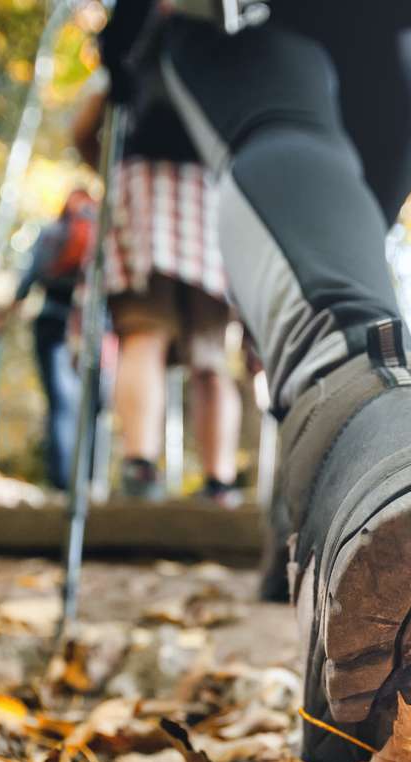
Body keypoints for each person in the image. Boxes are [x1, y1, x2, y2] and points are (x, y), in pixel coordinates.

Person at [99, 0, 411, 762]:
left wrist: (122, 47)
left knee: (289, 154)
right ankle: (331, 492)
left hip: (241, 25)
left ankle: (372, 429)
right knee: (332, 245)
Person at [72, 36, 242, 505]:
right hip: (212, 199)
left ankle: (139, 466)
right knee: (210, 354)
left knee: (144, 334)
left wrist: (113, 167)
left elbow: (85, 129)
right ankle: (219, 481)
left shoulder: (140, 39)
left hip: (142, 189)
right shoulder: (225, 46)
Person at [0, 189, 96, 490]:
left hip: (52, 320)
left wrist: (1, 316)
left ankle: (62, 483)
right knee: (91, 405)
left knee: (61, 404)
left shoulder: (50, 233)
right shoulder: (103, 231)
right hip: (93, 327)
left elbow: (29, 279)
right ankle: (89, 481)